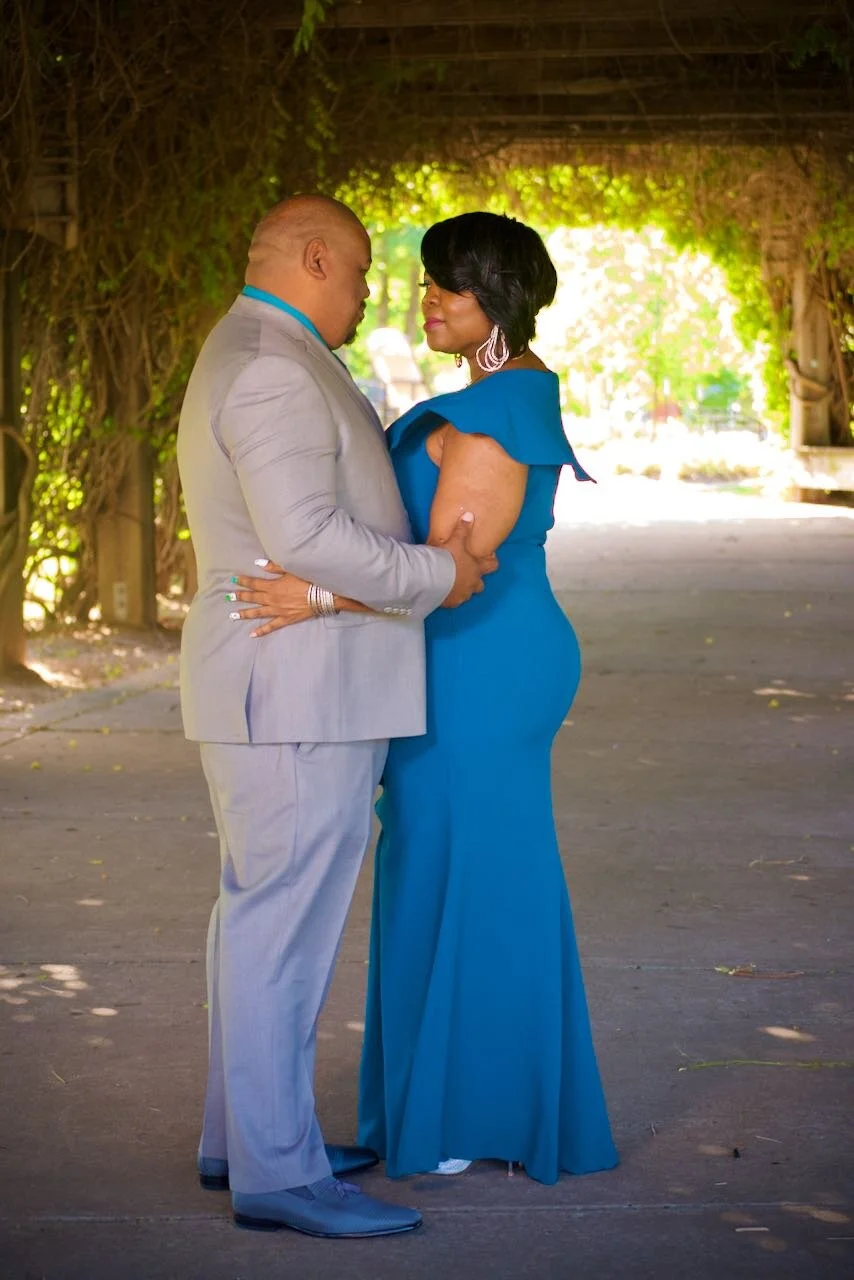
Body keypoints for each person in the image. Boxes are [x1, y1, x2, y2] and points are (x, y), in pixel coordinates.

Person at [230, 211, 618, 1186]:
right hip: (447, 657)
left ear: (493, 296)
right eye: (423, 283)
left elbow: (457, 569)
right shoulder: (484, 395)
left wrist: (313, 593)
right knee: (436, 868)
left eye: (443, 285)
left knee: (473, 874)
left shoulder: (500, 410)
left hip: (480, 658)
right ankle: (439, 1098)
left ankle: (474, 1111)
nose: (422, 300)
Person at [176, 195, 496, 1239]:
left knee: (254, 913)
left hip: (281, 681)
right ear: (314, 258)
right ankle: (279, 1170)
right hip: (296, 685)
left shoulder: (257, 344)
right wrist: (438, 572)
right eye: (359, 273)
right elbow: (305, 534)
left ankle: (243, 1133)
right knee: (282, 926)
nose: (367, 293)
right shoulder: (272, 362)